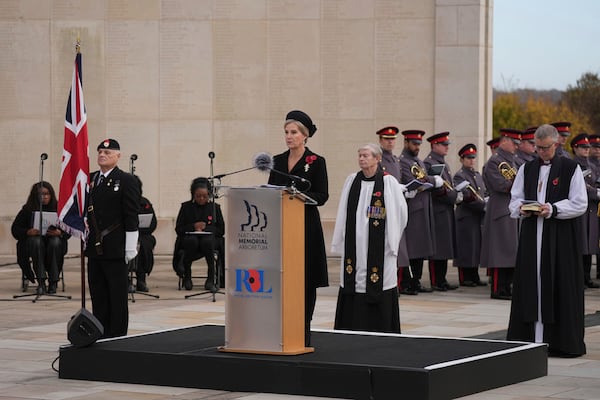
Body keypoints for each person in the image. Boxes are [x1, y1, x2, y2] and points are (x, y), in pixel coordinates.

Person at [507, 124, 587, 357]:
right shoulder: (527, 168)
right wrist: (522, 208)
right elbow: (514, 199)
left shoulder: (571, 168)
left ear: (557, 144)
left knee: (559, 282)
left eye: (546, 148)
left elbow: (579, 203)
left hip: (559, 236)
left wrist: (552, 209)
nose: (541, 152)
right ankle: (528, 338)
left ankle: (560, 341)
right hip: (532, 235)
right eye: (538, 148)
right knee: (531, 282)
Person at [331, 143, 408, 333]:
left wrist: (392, 239)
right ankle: (351, 326)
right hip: (355, 244)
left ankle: (381, 327)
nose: (362, 159)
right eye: (360, 155)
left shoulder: (389, 183)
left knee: (379, 279)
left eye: (366, 155)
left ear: (377, 158)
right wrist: (340, 237)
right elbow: (342, 211)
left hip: (380, 246)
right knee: (354, 277)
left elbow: (400, 213)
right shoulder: (352, 181)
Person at [267, 109, 329, 346]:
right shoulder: (277, 161)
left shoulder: (316, 162)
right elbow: (271, 190)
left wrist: (297, 194)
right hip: (281, 227)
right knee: (282, 278)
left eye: (293, 132)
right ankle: (280, 327)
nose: (289, 136)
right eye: (286, 132)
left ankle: (303, 329)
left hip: (306, 227)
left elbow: (321, 195)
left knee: (305, 279)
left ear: (304, 136)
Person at [85, 139, 140, 338]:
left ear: (118, 156)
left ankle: (117, 336)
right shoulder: (89, 179)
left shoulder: (126, 180)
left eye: (107, 152)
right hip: (94, 246)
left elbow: (131, 215)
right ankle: (99, 333)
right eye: (100, 151)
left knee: (116, 295)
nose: (102, 155)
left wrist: (130, 246)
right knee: (98, 293)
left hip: (116, 246)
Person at [398, 129, 443, 294]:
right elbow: (414, 181)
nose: (417, 147)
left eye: (418, 144)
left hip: (423, 207)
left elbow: (423, 179)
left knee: (420, 249)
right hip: (412, 209)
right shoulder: (402, 161)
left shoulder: (418, 161)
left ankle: (415, 281)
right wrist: (432, 180)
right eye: (414, 143)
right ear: (406, 143)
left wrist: (428, 181)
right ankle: (405, 282)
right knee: (410, 248)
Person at [480, 128, 521, 300]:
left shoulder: (512, 161)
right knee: (499, 253)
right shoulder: (494, 161)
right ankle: (497, 288)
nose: (516, 147)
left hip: (511, 209)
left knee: (511, 252)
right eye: (514, 143)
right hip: (500, 210)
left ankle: (507, 287)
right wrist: (519, 183)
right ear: (504, 141)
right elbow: (501, 185)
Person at [11, 181, 69, 294]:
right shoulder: (27, 210)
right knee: (35, 241)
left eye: (47, 194)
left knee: (55, 242)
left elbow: (69, 230)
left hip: (53, 243)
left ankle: (53, 282)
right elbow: (15, 229)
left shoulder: (59, 208)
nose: (45, 197)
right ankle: (41, 281)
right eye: (41, 194)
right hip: (34, 244)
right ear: (35, 196)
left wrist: (60, 232)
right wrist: (28, 232)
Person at [376, 126, 413, 295]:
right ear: (380, 141)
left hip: (396, 208)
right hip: (384, 207)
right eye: (386, 139)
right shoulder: (379, 160)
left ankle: (397, 283)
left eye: (392, 139)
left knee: (399, 249)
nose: (390, 142)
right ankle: (389, 284)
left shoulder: (396, 160)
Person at [174, 177, 225, 291]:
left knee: (207, 242)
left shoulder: (214, 208)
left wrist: (207, 228)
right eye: (198, 196)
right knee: (191, 242)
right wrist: (193, 226)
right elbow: (179, 228)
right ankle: (187, 276)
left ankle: (211, 278)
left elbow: (221, 230)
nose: (201, 198)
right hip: (191, 239)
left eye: (204, 196)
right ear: (193, 195)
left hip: (209, 239)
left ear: (209, 195)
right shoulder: (186, 207)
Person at [424, 132, 460, 291]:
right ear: (435, 146)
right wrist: (450, 195)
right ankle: (436, 280)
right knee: (438, 249)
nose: (447, 148)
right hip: (438, 209)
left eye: (447, 145)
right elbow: (433, 188)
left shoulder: (442, 162)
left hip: (445, 209)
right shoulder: (429, 163)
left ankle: (442, 279)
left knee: (445, 247)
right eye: (443, 145)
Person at [453, 144, 487, 286]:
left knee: (475, 247)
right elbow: (466, 195)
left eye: (473, 158)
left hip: (477, 216)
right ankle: (465, 277)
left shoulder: (477, 175)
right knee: (466, 248)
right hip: (466, 216)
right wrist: (482, 204)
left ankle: (474, 275)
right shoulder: (460, 175)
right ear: (462, 159)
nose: (472, 160)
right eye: (468, 158)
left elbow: (483, 192)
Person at [570, 133, 600, 289]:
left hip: (592, 210)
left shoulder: (592, 166)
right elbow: (581, 187)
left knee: (589, 245)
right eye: (583, 147)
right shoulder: (573, 165)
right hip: (581, 210)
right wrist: (596, 193)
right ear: (575, 148)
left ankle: (587, 277)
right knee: (580, 245)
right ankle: (579, 278)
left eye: (588, 147)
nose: (587, 150)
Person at [131, 175, 157, 293]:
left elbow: (153, 223)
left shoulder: (144, 202)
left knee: (145, 244)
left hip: (143, 233)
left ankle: (141, 278)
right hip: (125, 233)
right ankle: (126, 280)